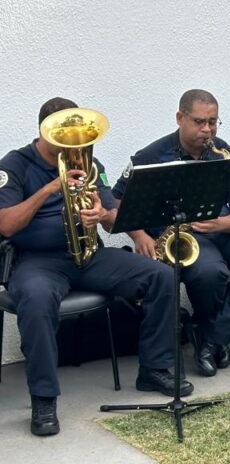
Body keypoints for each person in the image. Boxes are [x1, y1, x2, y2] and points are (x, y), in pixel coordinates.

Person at [0, 97, 185, 437]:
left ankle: (155, 368)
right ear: (44, 133)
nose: (74, 147)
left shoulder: (89, 162)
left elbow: (116, 222)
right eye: (64, 138)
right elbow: (7, 225)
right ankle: (44, 398)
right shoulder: (15, 165)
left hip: (89, 255)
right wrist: (49, 189)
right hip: (39, 261)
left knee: (161, 276)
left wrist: (102, 214)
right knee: (37, 301)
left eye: (79, 138)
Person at [113, 89, 230, 377]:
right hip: (183, 237)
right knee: (210, 272)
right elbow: (118, 203)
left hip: (223, 229)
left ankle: (212, 336)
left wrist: (218, 224)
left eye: (213, 122)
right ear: (180, 118)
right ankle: (213, 339)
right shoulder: (151, 155)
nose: (207, 130)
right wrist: (138, 235)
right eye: (199, 122)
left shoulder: (226, 153)